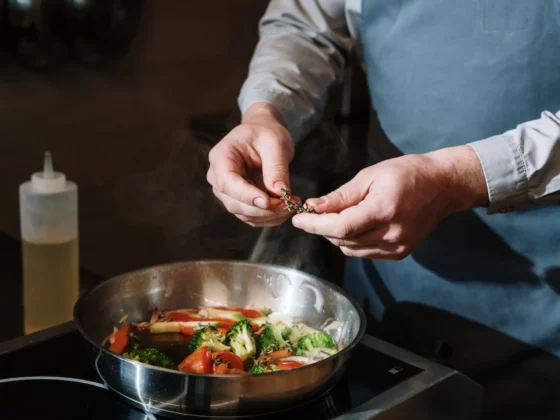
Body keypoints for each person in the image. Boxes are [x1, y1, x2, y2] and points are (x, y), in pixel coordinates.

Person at [207, 1, 560, 418]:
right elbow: (304, 22)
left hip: (545, 304)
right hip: (388, 292)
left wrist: (458, 177)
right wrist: (265, 111)